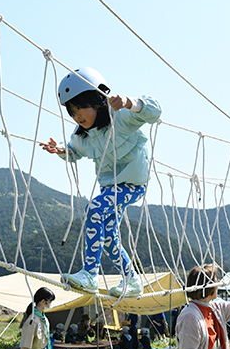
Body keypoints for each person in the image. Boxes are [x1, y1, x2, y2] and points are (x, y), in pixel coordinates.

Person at [41, 67, 161, 297]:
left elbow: (155, 111)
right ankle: (132, 280)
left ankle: (90, 274)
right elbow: (74, 152)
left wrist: (129, 102)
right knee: (107, 236)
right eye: (72, 112)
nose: (77, 116)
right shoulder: (82, 136)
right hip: (109, 189)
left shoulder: (122, 116)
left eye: (80, 107)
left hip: (133, 185)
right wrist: (60, 150)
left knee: (94, 208)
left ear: (98, 99)